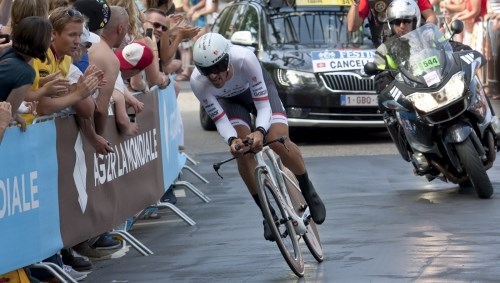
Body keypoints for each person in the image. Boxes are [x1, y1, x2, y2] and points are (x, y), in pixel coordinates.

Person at [190, 32, 326, 241]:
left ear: (227, 59)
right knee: (243, 152)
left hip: (256, 94)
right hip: (231, 104)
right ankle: (266, 213)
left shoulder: (244, 58)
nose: (214, 75)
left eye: (218, 67)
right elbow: (220, 120)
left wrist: (260, 131)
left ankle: (308, 188)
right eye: (207, 71)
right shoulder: (198, 82)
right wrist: (232, 140)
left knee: (278, 140)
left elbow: (263, 105)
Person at [347, 0, 437, 47]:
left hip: (415, 47)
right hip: (386, 52)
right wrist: (355, 3)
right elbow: (352, 27)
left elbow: (430, 16)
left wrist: (426, 32)